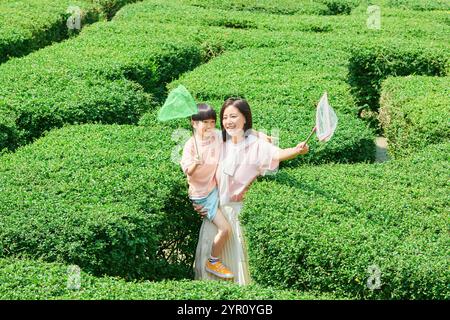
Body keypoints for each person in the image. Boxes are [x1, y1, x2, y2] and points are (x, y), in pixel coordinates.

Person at [193, 98, 309, 285]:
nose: (228, 121)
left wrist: (296, 150)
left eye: (233, 116)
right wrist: (199, 201)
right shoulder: (218, 140)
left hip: (237, 216)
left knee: (238, 274)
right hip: (215, 215)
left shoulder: (256, 144)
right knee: (210, 280)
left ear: (245, 118)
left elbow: (276, 153)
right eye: (225, 117)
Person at [180, 103, 235, 279]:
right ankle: (213, 261)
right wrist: (195, 163)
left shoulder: (217, 136)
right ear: (194, 123)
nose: (210, 126)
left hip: (213, 188)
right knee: (225, 229)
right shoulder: (190, 145)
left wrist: (263, 136)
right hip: (202, 196)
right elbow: (188, 171)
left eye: (212, 122)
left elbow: (239, 134)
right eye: (205, 122)